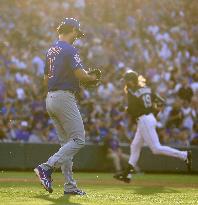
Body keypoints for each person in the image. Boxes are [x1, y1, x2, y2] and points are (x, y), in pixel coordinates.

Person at [34, 18, 101, 195]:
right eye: (76, 33)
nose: (77, 37)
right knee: (78, 140)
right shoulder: (69, 49)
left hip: (51, 97)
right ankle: (46, 167)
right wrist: (92, 79)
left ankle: (70, 186)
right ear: (71, 30)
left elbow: (46, 79)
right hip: (64, 97)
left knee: (66, 144)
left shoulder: (50, 50)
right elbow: (81, 75)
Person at [114, 70, 192, 183]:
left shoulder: (131, 91)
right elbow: (161, 102)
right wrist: (153, 113)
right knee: (135, 146)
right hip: (148, 119)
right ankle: (127, 174)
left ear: (131, 81)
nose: (125, 82)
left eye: (126, 80)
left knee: (156, 148)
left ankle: (184, 155)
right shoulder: (147, 88)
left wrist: (123, 109)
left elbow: (132, 111)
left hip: (144, 120)